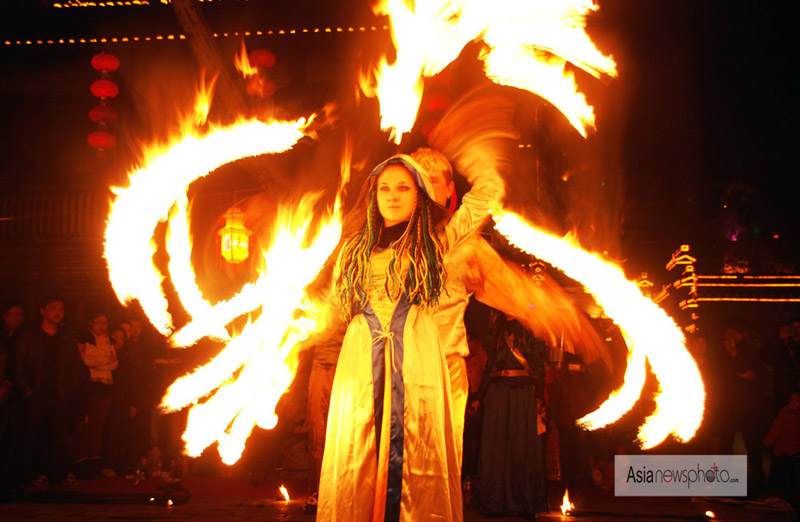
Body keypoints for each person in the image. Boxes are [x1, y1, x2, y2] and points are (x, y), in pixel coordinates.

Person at [318, 152, 502, 522]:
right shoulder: (353, 250)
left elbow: (480, 202)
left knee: (416, 447)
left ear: (419, 195)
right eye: (384, 188)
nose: (392, 195)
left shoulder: (432, 246)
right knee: (359, 448)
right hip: (361, 356)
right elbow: (331, 306)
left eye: (403, 187)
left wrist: (477, 153)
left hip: (415, 354)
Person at [475, 313, 547, 519]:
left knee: (522, 447)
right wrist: (479, 397)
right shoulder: (495, 329)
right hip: (498, 393)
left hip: (522, 394)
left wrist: (539, 397)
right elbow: (489, 367)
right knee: (495, 448)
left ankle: (526, 504)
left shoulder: (530, 328)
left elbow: (539, 365)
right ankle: (494, 502)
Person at [13, 295, 85, 488]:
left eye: (61, 308)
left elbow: (75, 365)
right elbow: (17, 363)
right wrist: (26, 390)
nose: (58, 312)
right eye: (53, 308)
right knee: (31, 437)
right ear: (42, 311)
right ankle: (29, 476)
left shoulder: (66, 335)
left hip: (59, 393)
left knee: (60, 436)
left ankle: (59, 475)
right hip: (35, 393)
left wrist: (69, 389)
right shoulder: (29, 334)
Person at [76, 311, 118, 477]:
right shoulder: (83, 339)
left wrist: (100, 362)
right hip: (89, 386)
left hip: (106, 387)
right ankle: (81, 462)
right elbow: (86, 361)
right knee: (86, 424)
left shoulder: (108, 340)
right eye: (98, 322)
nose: (102, 326)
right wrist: (105, 359)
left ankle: (95, 461)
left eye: (105, 323)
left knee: (99, 426)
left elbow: (115, 363)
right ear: (90, 323)